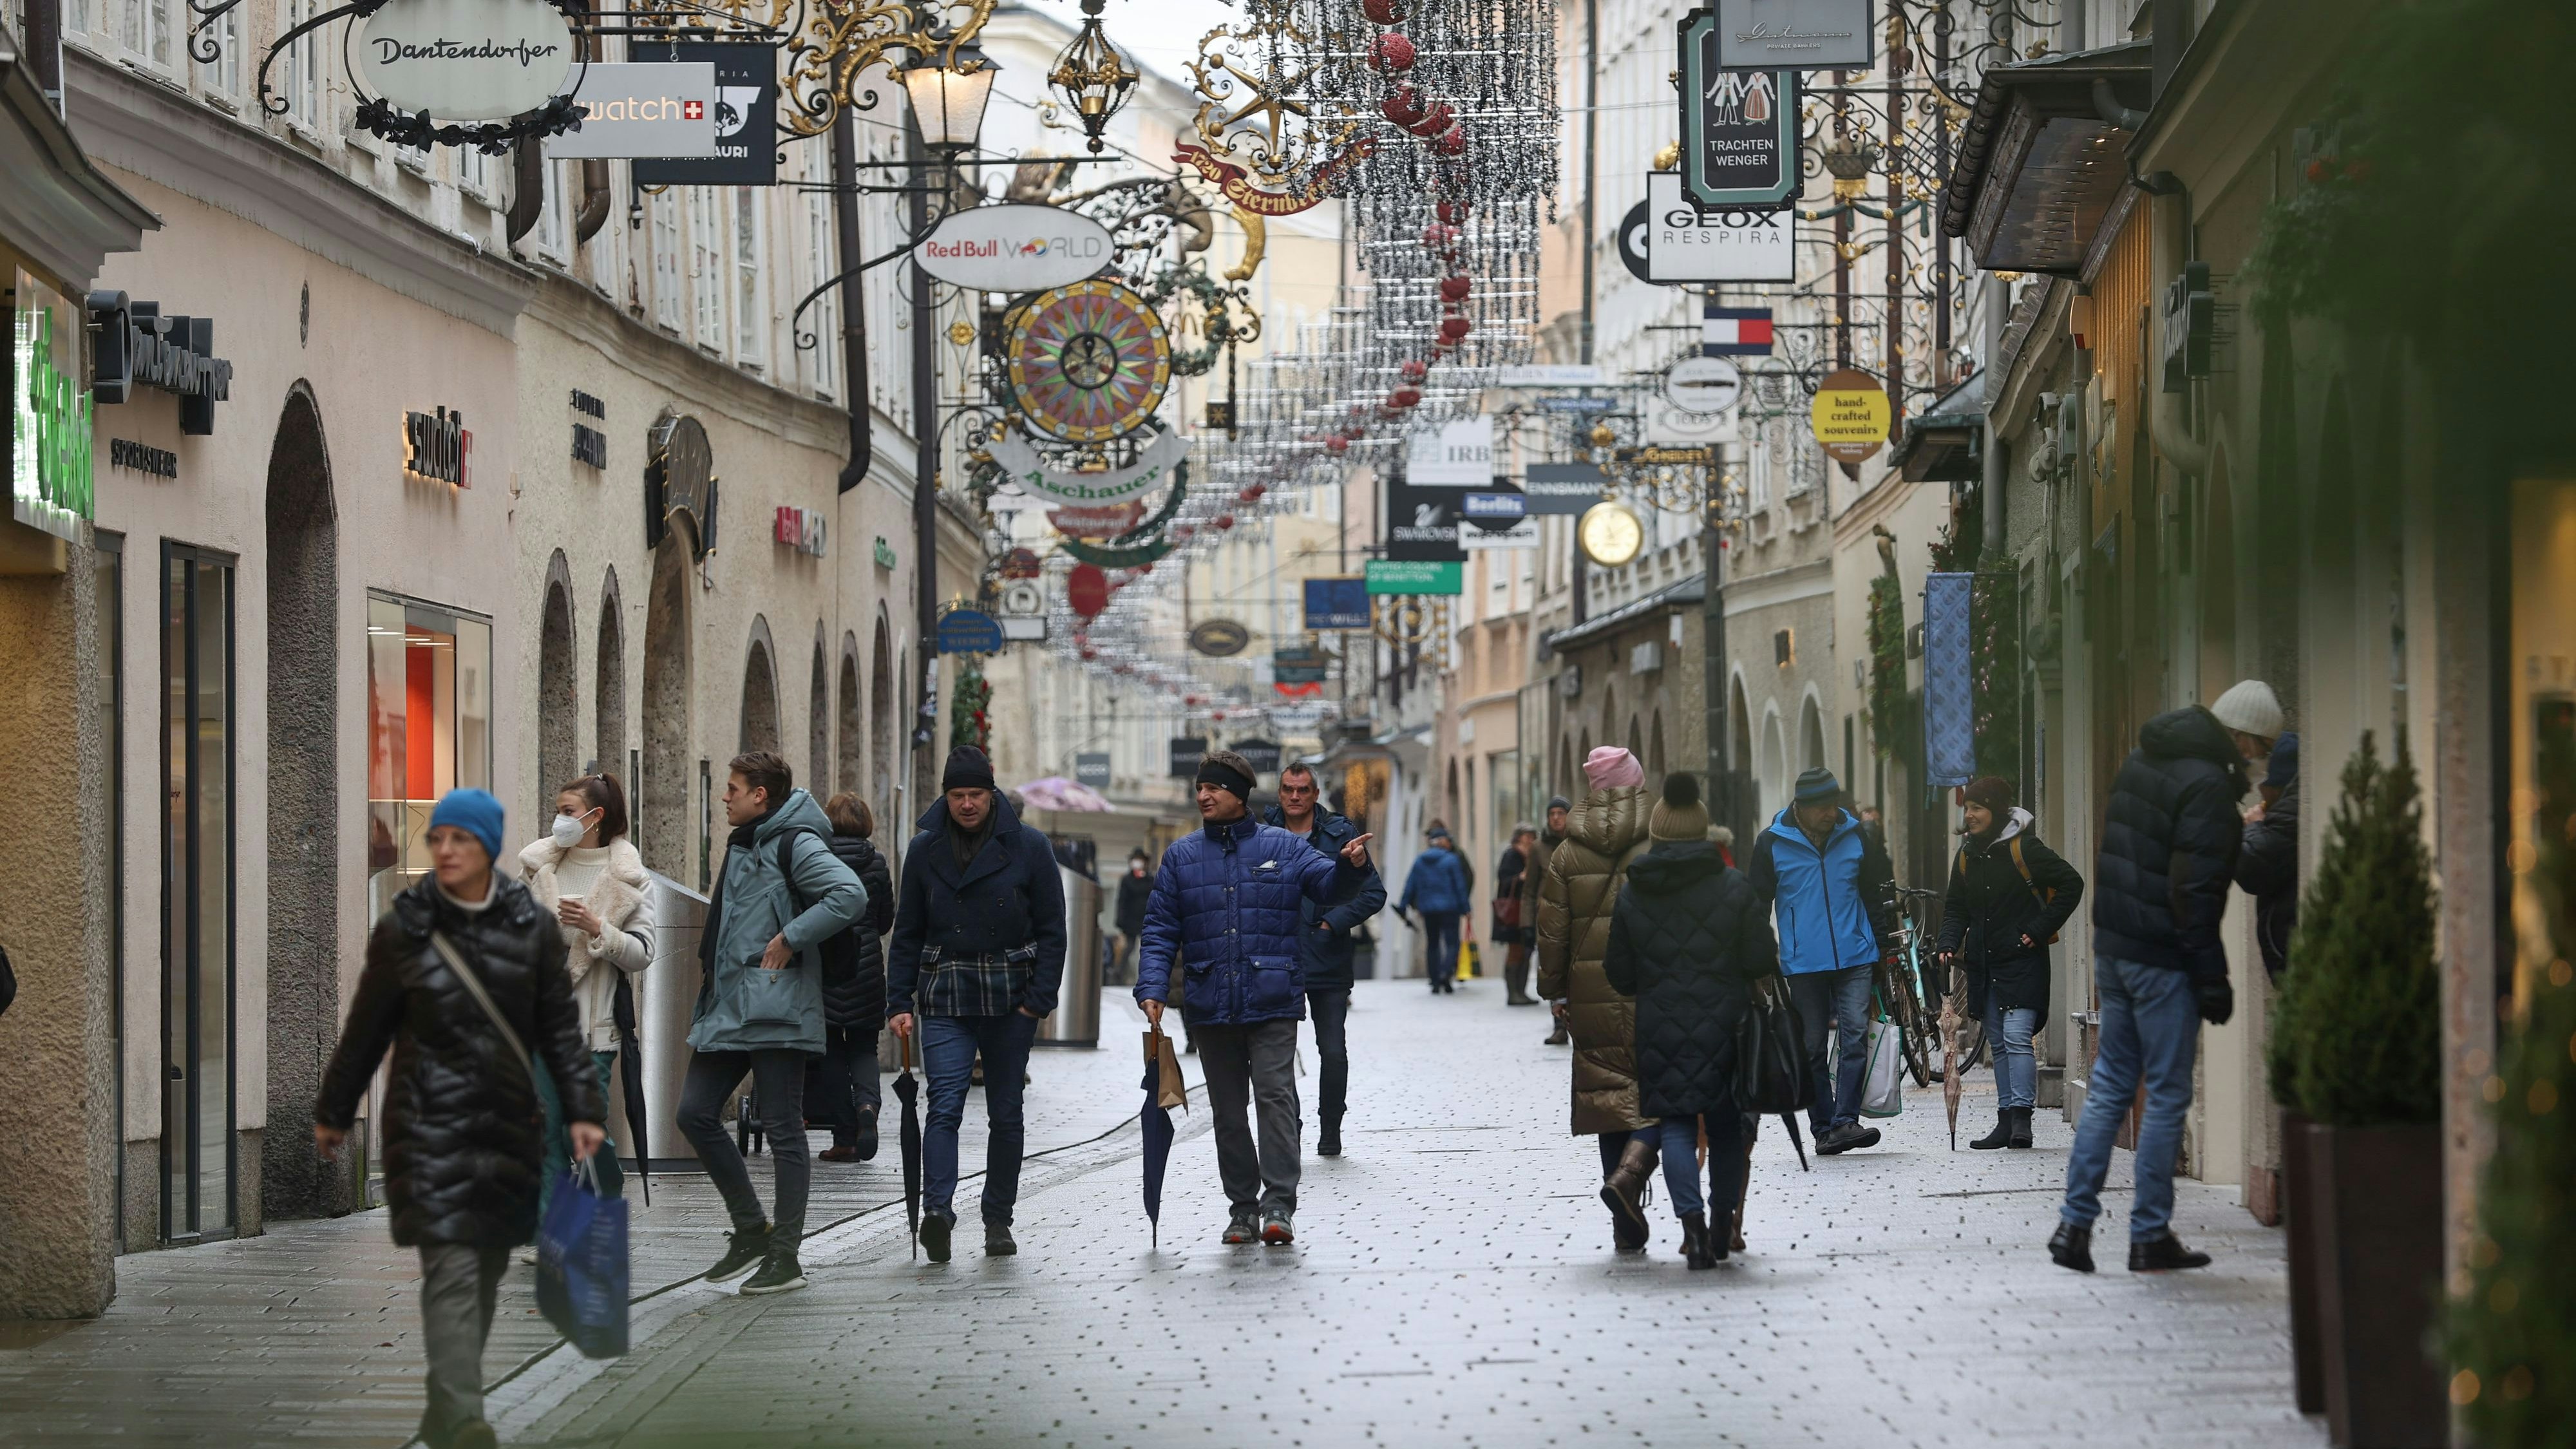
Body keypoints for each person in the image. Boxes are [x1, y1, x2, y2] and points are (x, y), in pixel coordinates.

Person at [315, 788, 606, 1449]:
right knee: (451, 1265)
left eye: (460, 840)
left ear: (487, 848)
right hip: (427, 1122)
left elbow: (559, 1029)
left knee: (486, 1267)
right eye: (437, 839)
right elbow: (367, 1029)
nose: (444, 850)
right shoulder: (405, 927)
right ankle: (465, 1418)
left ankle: (446, 1408)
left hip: (508, 1123)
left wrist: (583, 1111)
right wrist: (335, 1110)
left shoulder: (529, 927)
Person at [2052, 694, 2257, 1274]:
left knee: (2112, 1083)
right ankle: (2149, 1235)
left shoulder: (2142, 759)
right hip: (2163, 958)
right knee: (2167, 1093)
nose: (2255, 763)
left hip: (2115, 949)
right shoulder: (2208, 784)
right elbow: (2196, 890)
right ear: (2243, 738)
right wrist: (2211, 976)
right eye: (2258, 749)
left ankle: (2074, 1225)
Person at [1137, 749, 1374, 1245]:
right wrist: (1154, 988)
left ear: (1239, 796)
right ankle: (1242, 1207)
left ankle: (1279, 1205)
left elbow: (1328, 885)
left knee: (1274, 1097)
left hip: (1272, 996)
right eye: (1200, 787)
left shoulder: (1282, 847)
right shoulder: (1181, 857)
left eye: (1214, 788)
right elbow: (1160, 928)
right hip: (1210, 1000)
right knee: (1227, 1109)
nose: (1203, 795)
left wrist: (1351, 867)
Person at [676, 752, 866, 1296]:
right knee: (694, 1112)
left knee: (784, 1128)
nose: (725, 795)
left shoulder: (794, 840)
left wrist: (790, 938)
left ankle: (785, 1256)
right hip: (731, 1003)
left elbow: (849, 895)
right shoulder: (745, 843)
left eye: (733, 788)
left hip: (778, 1005)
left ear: (761, 794)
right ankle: (749, 1229)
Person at [886, 746, 1067, 1263]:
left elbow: (1054, 931)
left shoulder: (1030, 846)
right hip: (946, 993)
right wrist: (899, 1000)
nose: (967, 804)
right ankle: (938, 1212)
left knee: (1006, 1113)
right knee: (943, 1103)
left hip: (1011, 998)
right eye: (957, 795)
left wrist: (1038, 1001)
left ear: (992, 795)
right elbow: (908, 931)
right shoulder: (925, 850)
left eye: (976, 795)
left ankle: (997, 1219)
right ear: (945, 797)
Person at [1601, 774, 1779, 1269]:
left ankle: (1693, 1232)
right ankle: (1724, 1225)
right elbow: (1761, 957)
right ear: (1702, 831)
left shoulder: (1635, 893)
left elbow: (1619, 973)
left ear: (1658, 832)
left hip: (1659, 1028)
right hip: (1726, 1024)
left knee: (1676, 1126)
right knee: (1724, 1128)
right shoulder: (1733, 887)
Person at [514, 772, 652, 1256]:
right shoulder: (537, 870)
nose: (559, 820)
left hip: (591, 1031)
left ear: (597, 817)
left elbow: (642, 953)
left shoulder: (630, 878)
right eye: (558, 809)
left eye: (569, 811)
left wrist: (597, 928)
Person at [1535, 746, 1658, 1251]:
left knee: (1608, 1096)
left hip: (1591, 991)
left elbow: (1552, 932)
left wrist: (1555, 991)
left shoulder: (1566, 853)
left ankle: (1623, 1217)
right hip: (1654, 988)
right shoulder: (1660, 841)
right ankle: (1634, 1179)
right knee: (1660, 1089)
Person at [1746, 767, 1900, 1157]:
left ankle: (1846, 1121)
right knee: (1812, 1047)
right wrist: (1759, 961)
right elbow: (1757, 907)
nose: (1832, 813)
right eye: (1824, 807)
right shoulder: (1771, 843)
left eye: (1835, 805)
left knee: (1854, 1040)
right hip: (1804, 962)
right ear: (1802, 807)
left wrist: (1881, 947)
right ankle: (1823, 1128)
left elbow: (1871, 896)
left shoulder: (1856, 837)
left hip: (1856, 955)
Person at [1935, 775, 2083, 1151]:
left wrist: (2039, 928)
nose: (1969, 815)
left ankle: (2022, 1120)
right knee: (1999, 1042)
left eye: (1978, 808)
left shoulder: (2025, 849)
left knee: (2018, 1038)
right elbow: (1956, 907)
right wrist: (1948, 942)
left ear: (1997, 811)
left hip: (2022, 959)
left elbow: (2071, 883)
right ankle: (2005, 1121)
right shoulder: (1967, 856)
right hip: (1985, 963)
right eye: (1967, 809)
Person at [1261, 761, 1387, 1159]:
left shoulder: (1341, 834)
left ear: (1315, 794)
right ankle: (1290, 1126)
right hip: (1277, 960)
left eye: (1302, 790)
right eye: (1288, 790)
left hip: (1328, 960)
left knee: (1332, 1050)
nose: (1295, 797)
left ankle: (1331, 1125)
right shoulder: (1262, 835)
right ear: (1279, 794)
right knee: (1277, 1054)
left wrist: (1332, 923)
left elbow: (1373, 894)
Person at [811, 793, 895, 1164]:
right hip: (867, 970)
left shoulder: (817, 859)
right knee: (864, 1048)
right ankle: (868, 1108)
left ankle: (845, 1138)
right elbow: (885, 921)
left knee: (829, 1049)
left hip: (826, 965)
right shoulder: (876, 863)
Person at [2235, 732, 2300, 981]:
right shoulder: (2286, 810)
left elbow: (2251, 868)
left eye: (2267, 783)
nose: (2260, 790)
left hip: (2289, 951)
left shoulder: (2287, 814)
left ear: (2279, 786)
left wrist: (2253, 828)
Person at [1397, 826, 1473, 991]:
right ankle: (1446, 972)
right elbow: (1460, 886)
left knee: (1433, 944)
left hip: (1428, 908)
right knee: (1452, 943)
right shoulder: (1452, 860)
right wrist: (1466, 908)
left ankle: (1435, 980)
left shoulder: (1420, 860)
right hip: (1450, 908)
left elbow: (1410, 885)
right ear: (1443, 842)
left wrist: (1403, 905)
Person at [1535, 797, 1574, 1043]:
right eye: (1553, 813)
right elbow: (1529, 891)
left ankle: (1575, 1022)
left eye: (1561, 812)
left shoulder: (1578, 843)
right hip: (1548, 917)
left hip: (1575, 914)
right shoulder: (1538, 848)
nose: (1557, 817)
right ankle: (1559, 1026)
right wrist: (1527, 923)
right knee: (1552, 966)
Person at [1495, 826, 1542, 1005]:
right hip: (1514, 911)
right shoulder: (1512, 855)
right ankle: (1513, 992)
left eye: (1532, 836)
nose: (1529, 840)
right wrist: (1520, 877)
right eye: (1526, 837)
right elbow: (1504, 880)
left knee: (1527, 950)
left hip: (1529, 911)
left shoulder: (1534, 855)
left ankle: (1521, 991)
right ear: (1519, 838)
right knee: (1516, 951)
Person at [1113, 849, 1155, 985]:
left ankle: (1147, 978)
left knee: (1147, 950)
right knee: (1128, 949)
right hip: (1130, 920)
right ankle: (1119, 975)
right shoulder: (1127, 880)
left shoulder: (1151, 880)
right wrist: (1120, 920)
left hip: (1147, 919)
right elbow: (1121, 901)